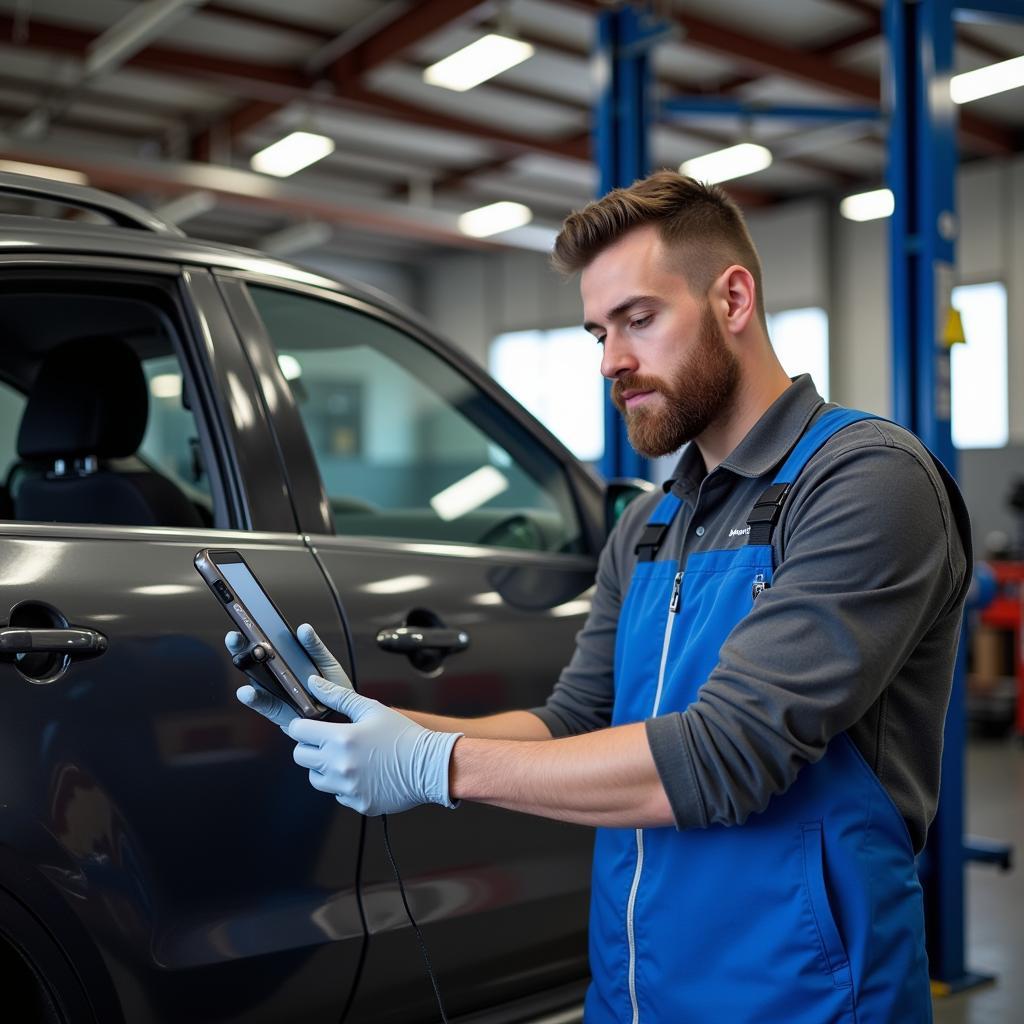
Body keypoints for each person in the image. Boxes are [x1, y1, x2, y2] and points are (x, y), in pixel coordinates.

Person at [230, 171, 971, 1023]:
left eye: (639, 320)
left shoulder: (864, 481)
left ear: (733, 298)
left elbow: (728, 755)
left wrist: (437, 768)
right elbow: (574, 720)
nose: (613, 360)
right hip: (635, 986)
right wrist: (378, 726)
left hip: (803, 993)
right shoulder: (650, 526)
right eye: (597, 333)